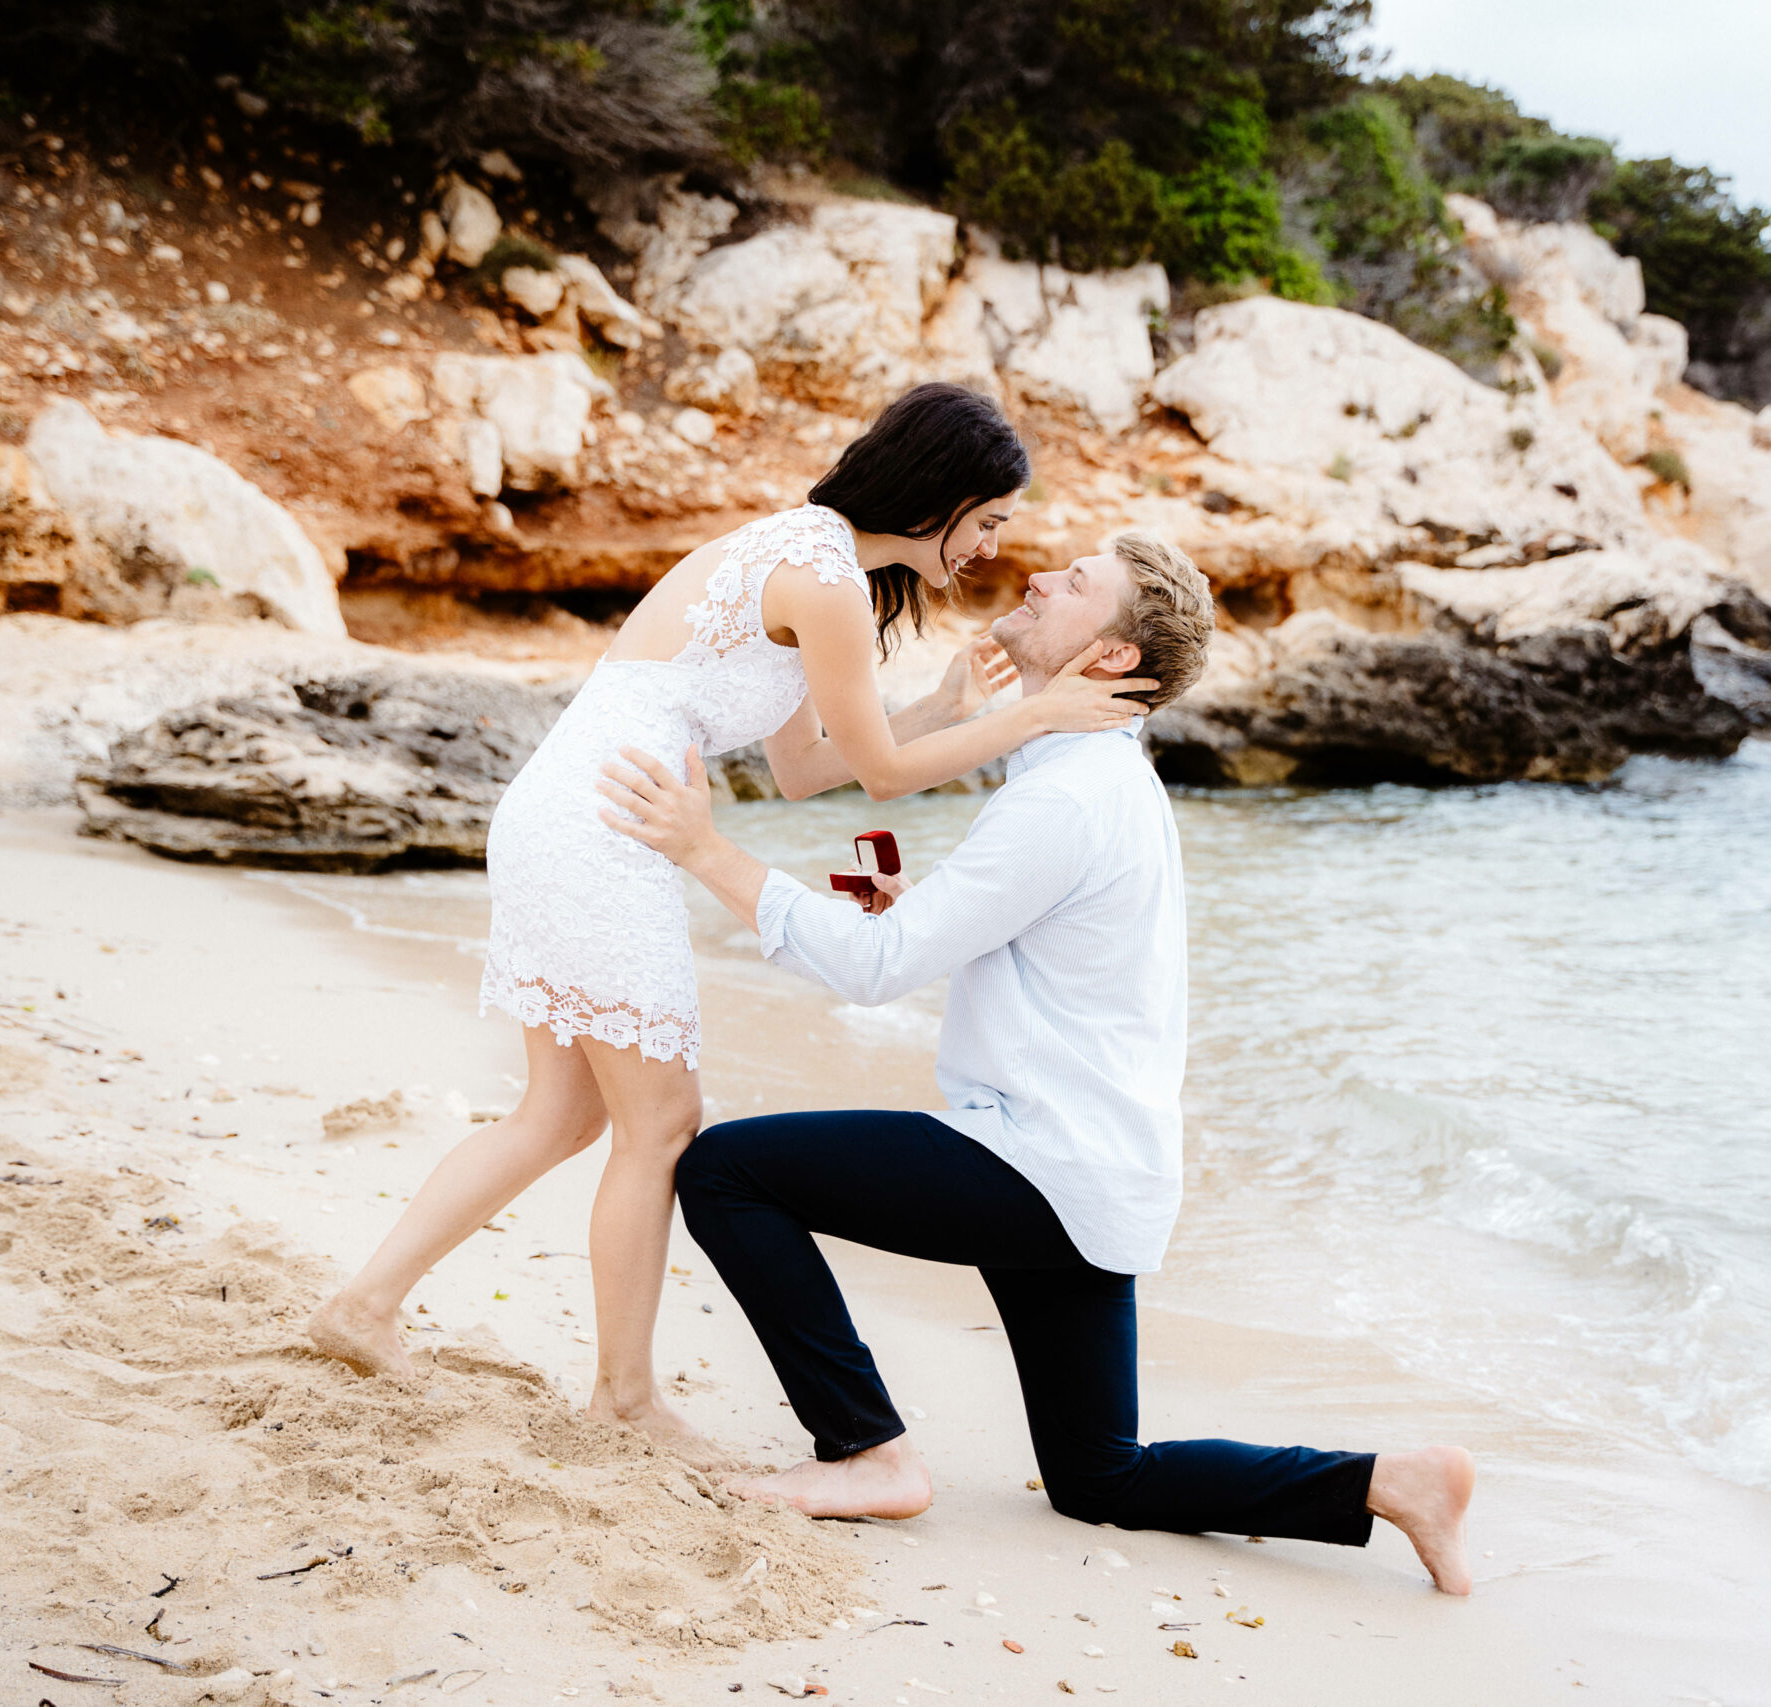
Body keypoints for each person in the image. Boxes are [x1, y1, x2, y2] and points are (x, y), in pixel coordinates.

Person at [596, 532, 1476, 1593]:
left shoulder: (1066, 797)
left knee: (725, 1171)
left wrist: (703, 850)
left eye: (1076, 585)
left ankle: (866, 1450)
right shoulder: (1091, 778)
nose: (1043, 575)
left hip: (1038, 1165)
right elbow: (1029, 944)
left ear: (1106, 659)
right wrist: (916, 909)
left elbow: (876, 970)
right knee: (1100, 1476)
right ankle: (1390, 1482)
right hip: (1100, 1178)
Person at [307, 385, 1151, 1461]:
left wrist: (944, 708)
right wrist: (1032, 714)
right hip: (611, 824)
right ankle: (619, 1398)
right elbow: (885, 781)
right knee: (660, 1124)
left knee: (563, 1117)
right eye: (988, 522)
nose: (992, 549)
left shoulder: (818, 561)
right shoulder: (828, 578)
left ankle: (364, 1304)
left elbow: (804, 771)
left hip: (585, 812)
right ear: (944, 495)